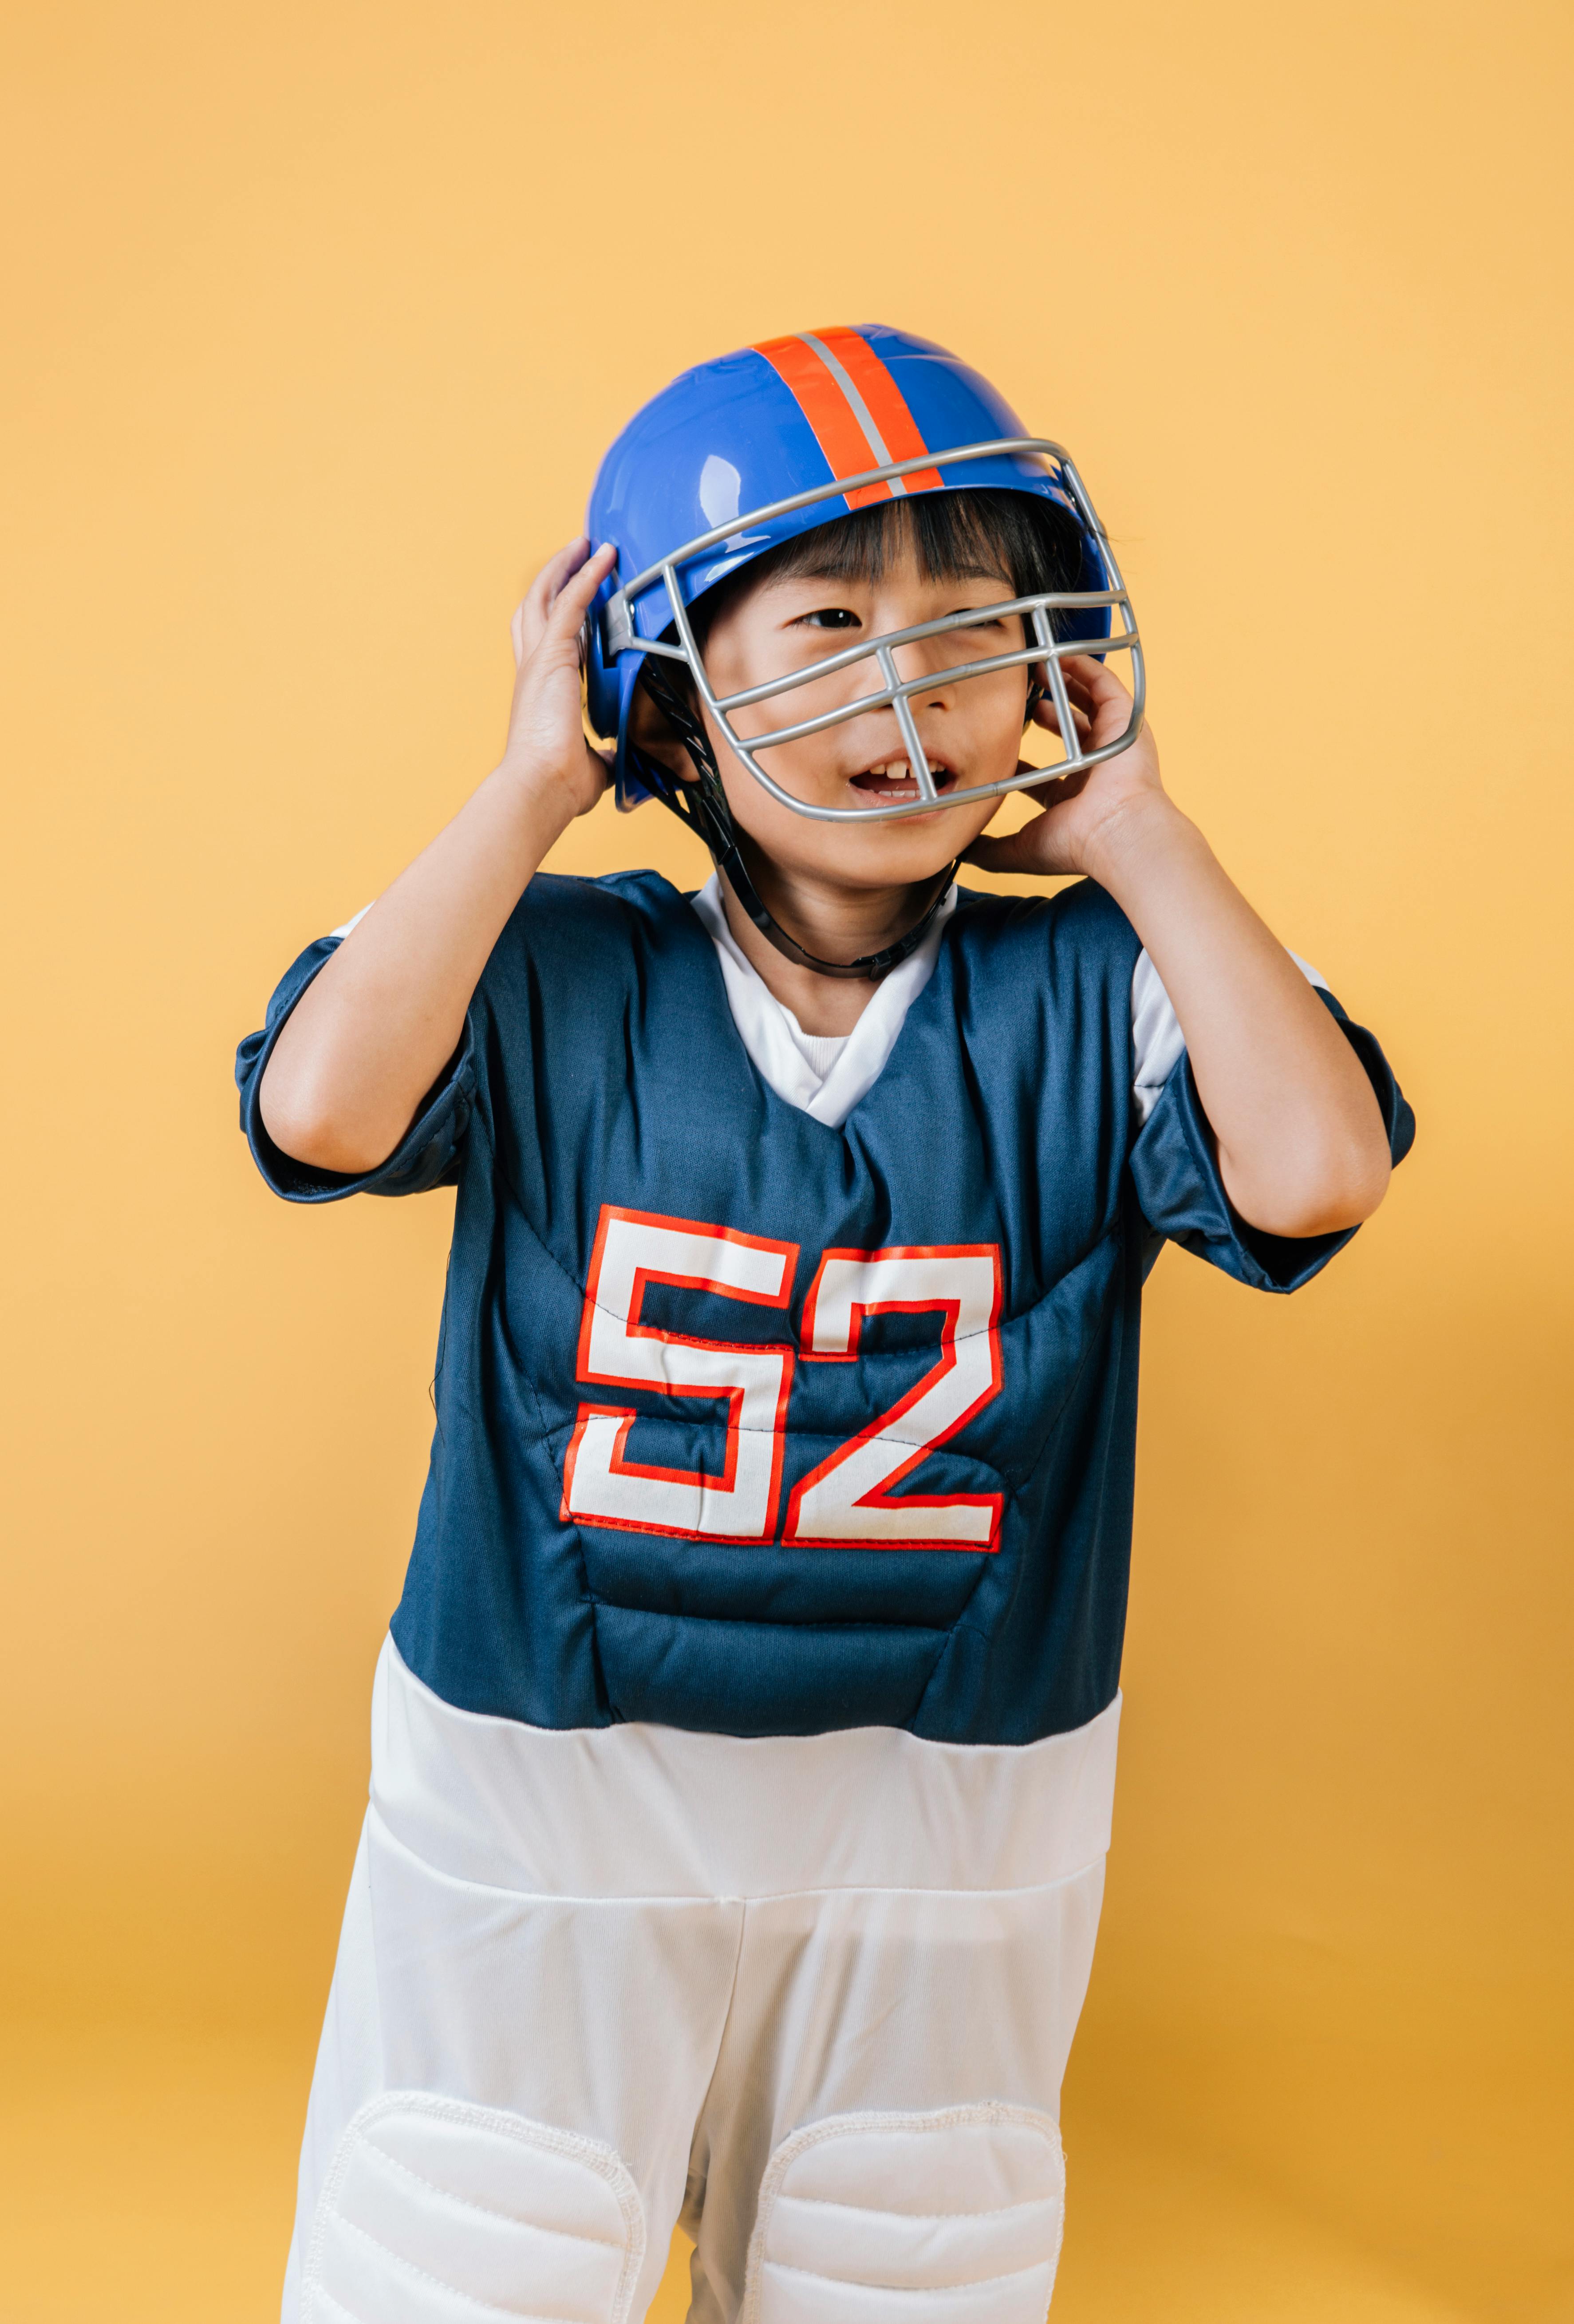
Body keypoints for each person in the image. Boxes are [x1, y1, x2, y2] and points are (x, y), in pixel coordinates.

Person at [238, 324, 1413, 2324]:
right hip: (552, 1788)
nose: (902, 688)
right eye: (825, 621)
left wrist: (1137, 829)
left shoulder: (1109, 981)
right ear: (664, 697)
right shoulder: (542, 961)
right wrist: (532, 778)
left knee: (900, 2276)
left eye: (964, 634)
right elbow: (318, 1106)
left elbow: (1313, 1170)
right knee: (459, 2264)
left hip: (941, 1815)